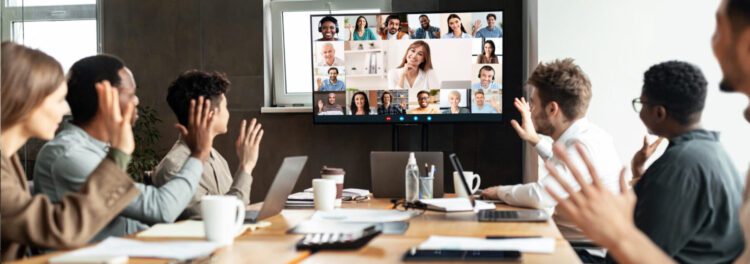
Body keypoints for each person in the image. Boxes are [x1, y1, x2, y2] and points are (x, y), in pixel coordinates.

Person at [538, 1, 750, 263]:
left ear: (659, 112)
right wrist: (640, 174)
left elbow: (636, 251)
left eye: (641, 104)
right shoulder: (711, 151)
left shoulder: (681, 165)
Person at [33, 55, 214, 242]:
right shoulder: (69, 155)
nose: (136, 101)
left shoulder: (96, 150)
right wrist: (198, 155)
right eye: (130, 93)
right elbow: (162, 208)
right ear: (104, 96)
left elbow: (128, 223)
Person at [0, 42, 140, 261]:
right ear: (24, 100)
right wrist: (119, 152)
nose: (66, 109)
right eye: (58, 100)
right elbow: (59, 228)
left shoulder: (8, 160)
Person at [480, 59, 622, 242]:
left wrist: (499, 191)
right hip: (567, 244)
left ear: (552, 109)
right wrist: (534, 140)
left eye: (533, 103)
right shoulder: (587, 136)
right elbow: (564, 167)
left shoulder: (582, 146)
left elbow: (540, 196)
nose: (530, 110)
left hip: (583, 254)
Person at [153, 70, 264, 218]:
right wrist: (246, 166)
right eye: (226, 107)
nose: (228, 113)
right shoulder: (174, 167)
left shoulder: (217, 159)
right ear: (210, 115)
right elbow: (217, 218)